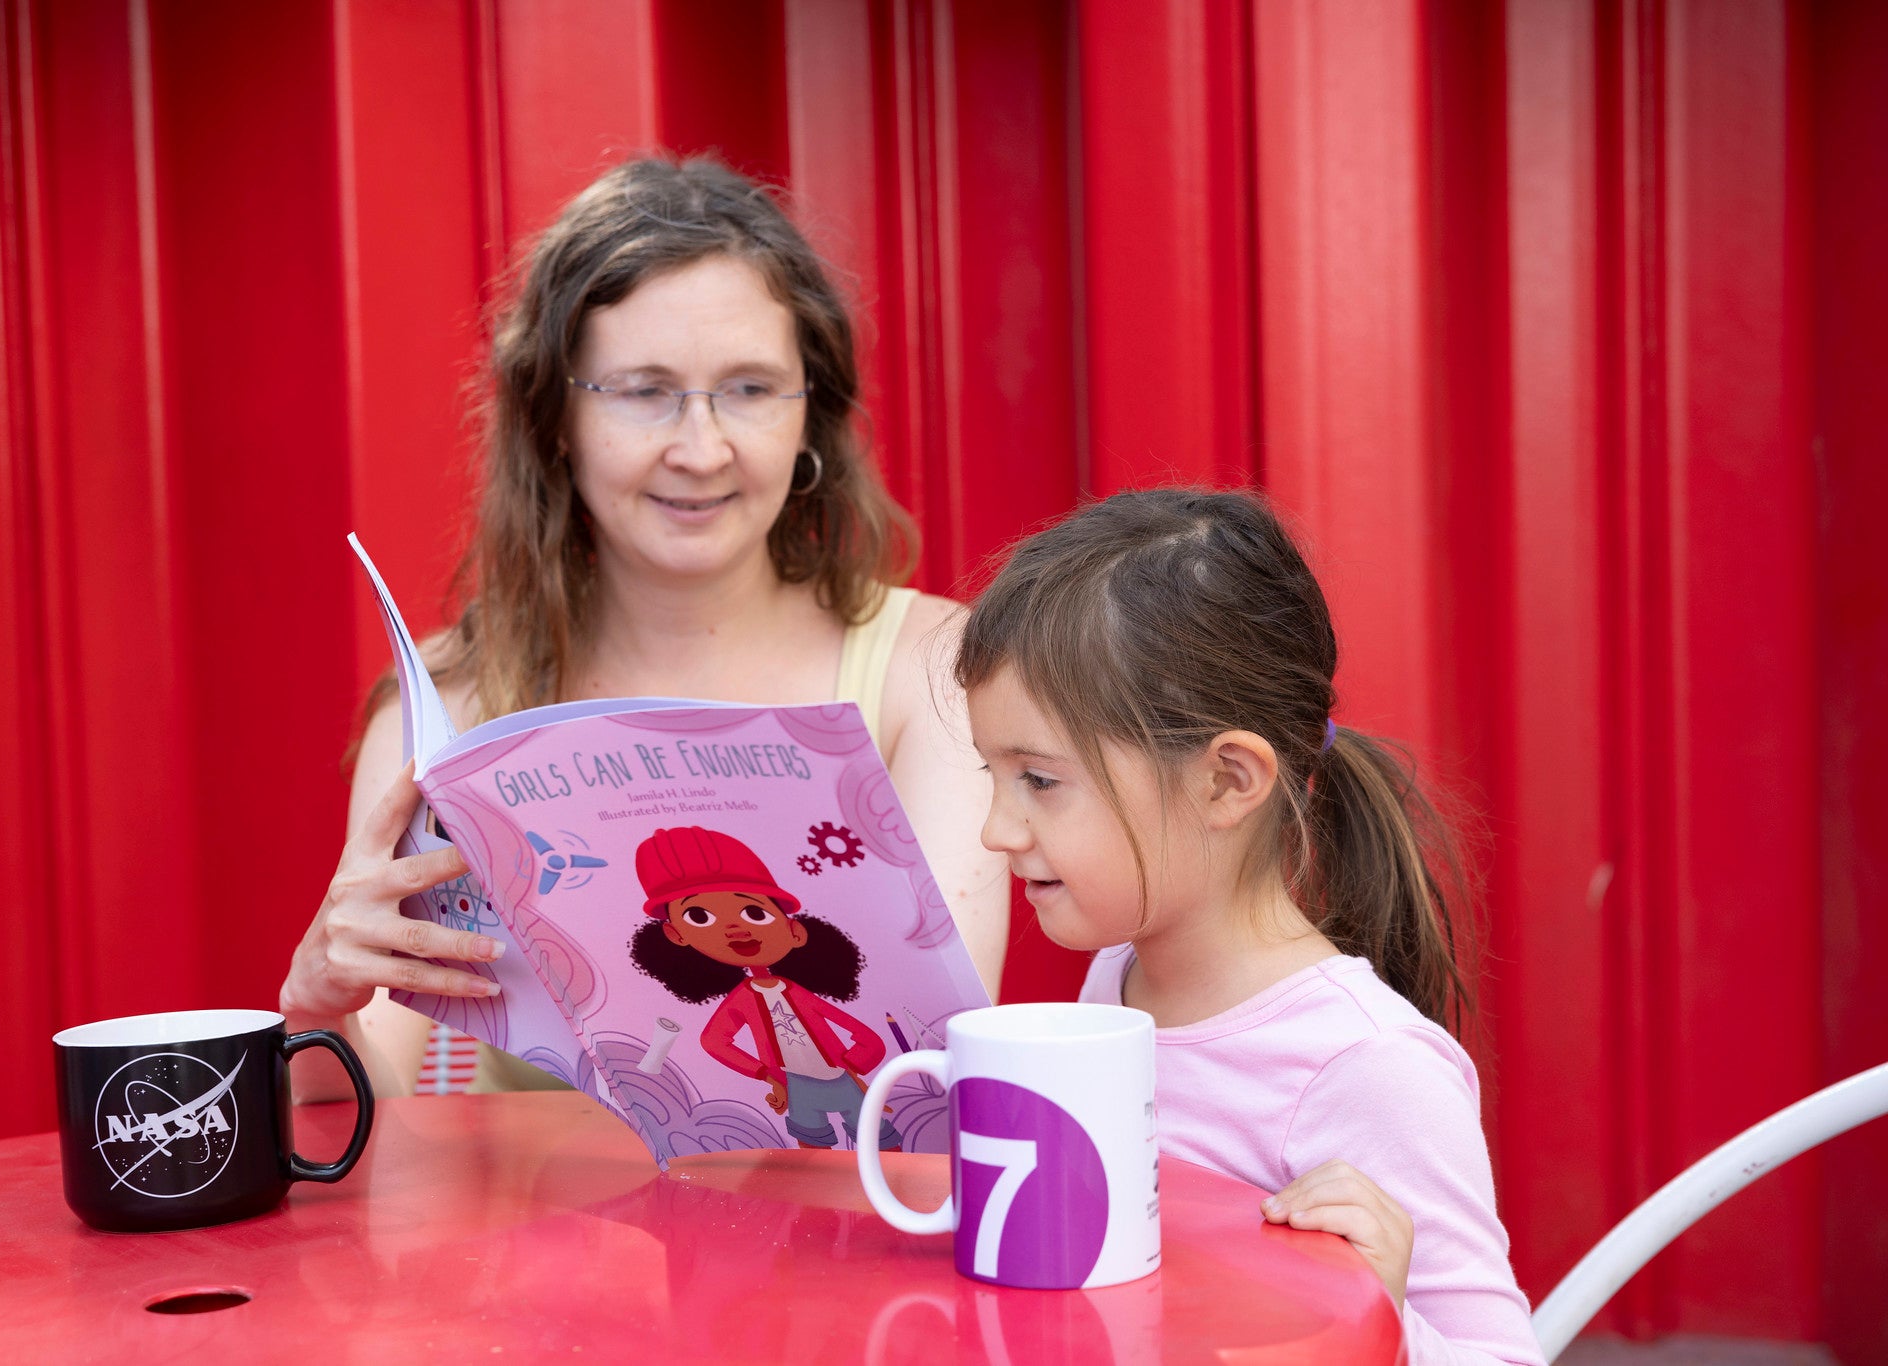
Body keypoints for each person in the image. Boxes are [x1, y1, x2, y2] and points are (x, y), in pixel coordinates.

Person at [278, 157, 1008, 1101]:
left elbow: (934, 1065)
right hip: (540, 1247)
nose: (700, 449)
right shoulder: (448, 702)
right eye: (641, 390)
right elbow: (354, 1117)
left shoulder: (933, 676)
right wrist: (317, 1002)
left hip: (840, 1240)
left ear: (811, 419)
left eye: (749, 389)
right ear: (554, 423)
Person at [957, 489, 1544, 1365]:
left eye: (1039, 780)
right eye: (991, 775)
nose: (996, 830)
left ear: (1228, 781)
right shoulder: (1115, 981)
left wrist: (1378, 1317)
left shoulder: (1367, 1065)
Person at [626, 824, 900, 1152]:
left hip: (841, 1080)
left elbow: (865, 1037)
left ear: (795, 931)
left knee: (881, 1143)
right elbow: (715, 1041)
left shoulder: (797, 991)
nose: (735, 928)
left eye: (754, 912)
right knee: (815, 1158)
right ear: (676, 936)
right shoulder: (742, 999)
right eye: (699, 916)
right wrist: (766, 1074)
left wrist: (853, 1068)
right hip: (797, 1087)